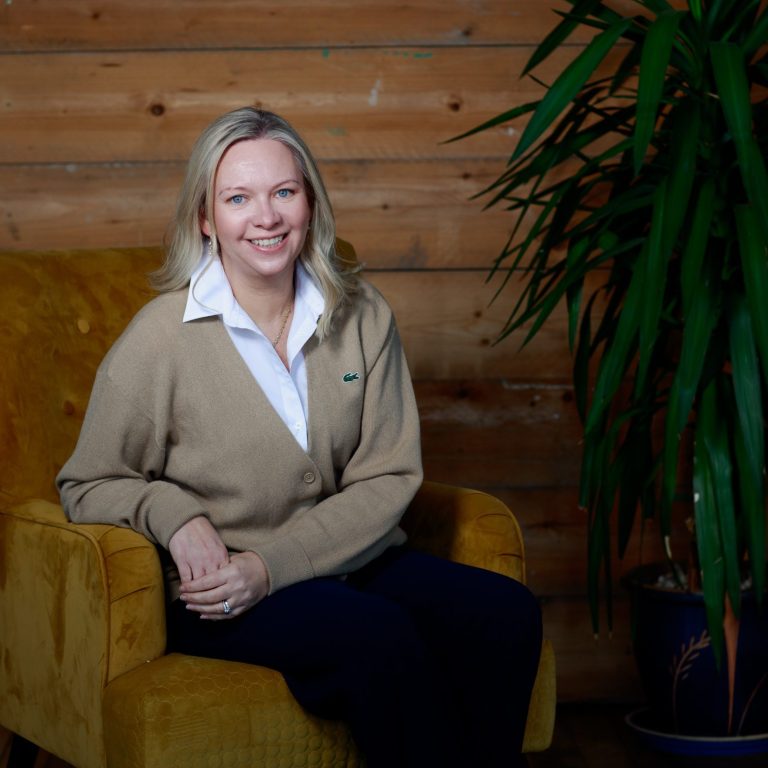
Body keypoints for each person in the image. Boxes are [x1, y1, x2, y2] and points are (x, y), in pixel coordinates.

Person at [57, 106, 542, 768]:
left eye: (284, 192)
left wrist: (274, 567)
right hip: (223, 591)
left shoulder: (363, 314)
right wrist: (174, 517)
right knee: (376, 638)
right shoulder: (159, 337)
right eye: (238, 198)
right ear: (205, 219)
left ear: (310, 203)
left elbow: (388, 477)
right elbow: (86, 482)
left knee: (505, 614)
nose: (266, 217)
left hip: (350, 560)